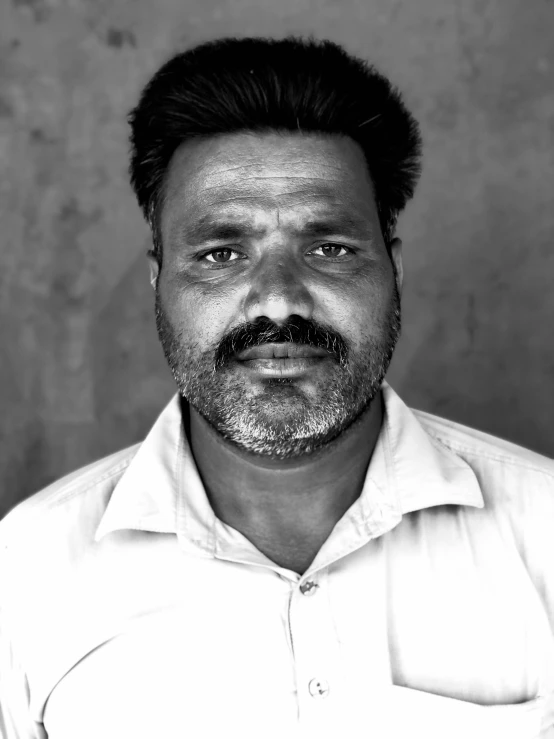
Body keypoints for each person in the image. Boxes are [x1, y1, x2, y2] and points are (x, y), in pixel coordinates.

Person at [0, 35, 553, 739]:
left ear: (394, 270)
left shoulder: (545, 538)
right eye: (221, 254)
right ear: (158, 279)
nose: (277, 300)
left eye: (329, 248)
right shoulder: (24, 573)